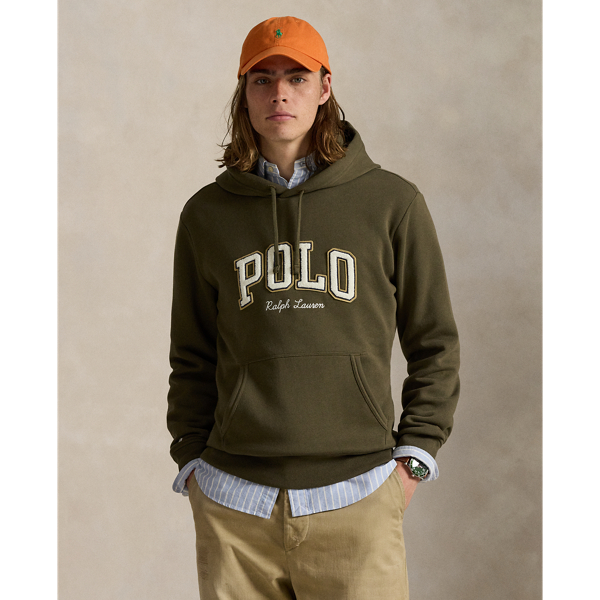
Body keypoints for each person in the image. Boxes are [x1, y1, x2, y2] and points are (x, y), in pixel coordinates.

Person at [167, 15, 460, 600]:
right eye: (262, 79)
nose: (280, 93)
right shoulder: (206, 215)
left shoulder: (392, 203)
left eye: (297, 77)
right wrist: (192, 462)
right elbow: (192, 354)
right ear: (244, 93)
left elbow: (435, 344)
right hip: (234, 502)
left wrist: (414, 459)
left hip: (358, 493)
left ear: (325, 88)